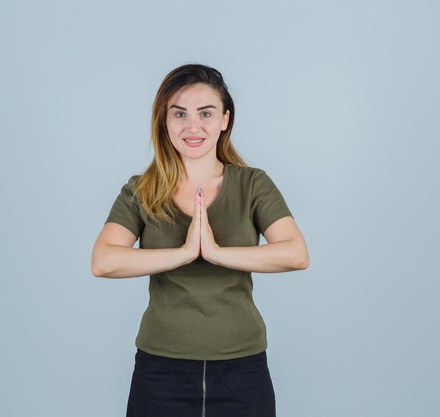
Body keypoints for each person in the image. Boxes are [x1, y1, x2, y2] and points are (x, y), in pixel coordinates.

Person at [91, 63, 309, 417]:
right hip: (160, 370)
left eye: (205, 113)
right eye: (179, 114)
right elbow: (103, 261)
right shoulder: (142, 189)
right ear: (165, 121)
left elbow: (296, 253)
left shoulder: (253, 184)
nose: (193, 126)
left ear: (225, 119)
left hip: (242, 369)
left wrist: (217, 253)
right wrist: (185, 252)